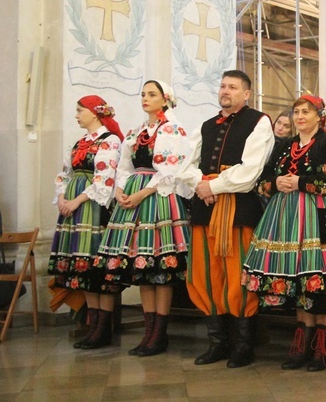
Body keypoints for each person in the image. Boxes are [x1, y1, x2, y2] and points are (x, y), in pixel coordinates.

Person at [243, 94, 326, 372]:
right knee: (300, 280)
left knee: (323, 280)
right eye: (296, 112)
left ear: (320, 116)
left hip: (322, 217)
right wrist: (275, 183)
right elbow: (262, 180)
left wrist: (301, 181)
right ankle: (301, 345)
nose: (299, 117)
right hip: (285, 218)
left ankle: (321, 348)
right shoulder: (284, 145)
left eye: (306, 112)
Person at [178, 70, 275, 368]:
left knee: (237, 275)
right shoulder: (206, 125)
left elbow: (250, 170)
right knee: (205, 274)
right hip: (205, 209)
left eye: (233, 87)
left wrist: (213, 185)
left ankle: (243, 345)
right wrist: (200, 185)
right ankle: (217, 342)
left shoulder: (259, 121)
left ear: (246, 93)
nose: (225, 91)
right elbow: (185, 166)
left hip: (238, 210)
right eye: (222, 86)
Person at [98, 80, 191, 355]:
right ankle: (148, 333)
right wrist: (120, 190)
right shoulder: (136, 131)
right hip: (134, 200)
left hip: (158, 199)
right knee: (142, 269)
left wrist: (142, 194)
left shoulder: (173, 129)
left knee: (160, 269)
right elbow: (124, 165)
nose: (145, 98)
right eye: (143, 94)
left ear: (165, 99)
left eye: (152, 94)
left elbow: (172, 171)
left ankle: (159, 334)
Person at [48, 95, 124, 349]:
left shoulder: (109, 141)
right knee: (82, 268)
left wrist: (77, 200)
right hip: (74, 207)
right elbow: (64, 173)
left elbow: (104, 179)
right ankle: (93, 327)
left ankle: (103, 329)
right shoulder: (79, 142)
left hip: (93, 207)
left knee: (96, 266)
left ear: (95, 113)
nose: (77, 114)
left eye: (80, 110)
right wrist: (61, 196)